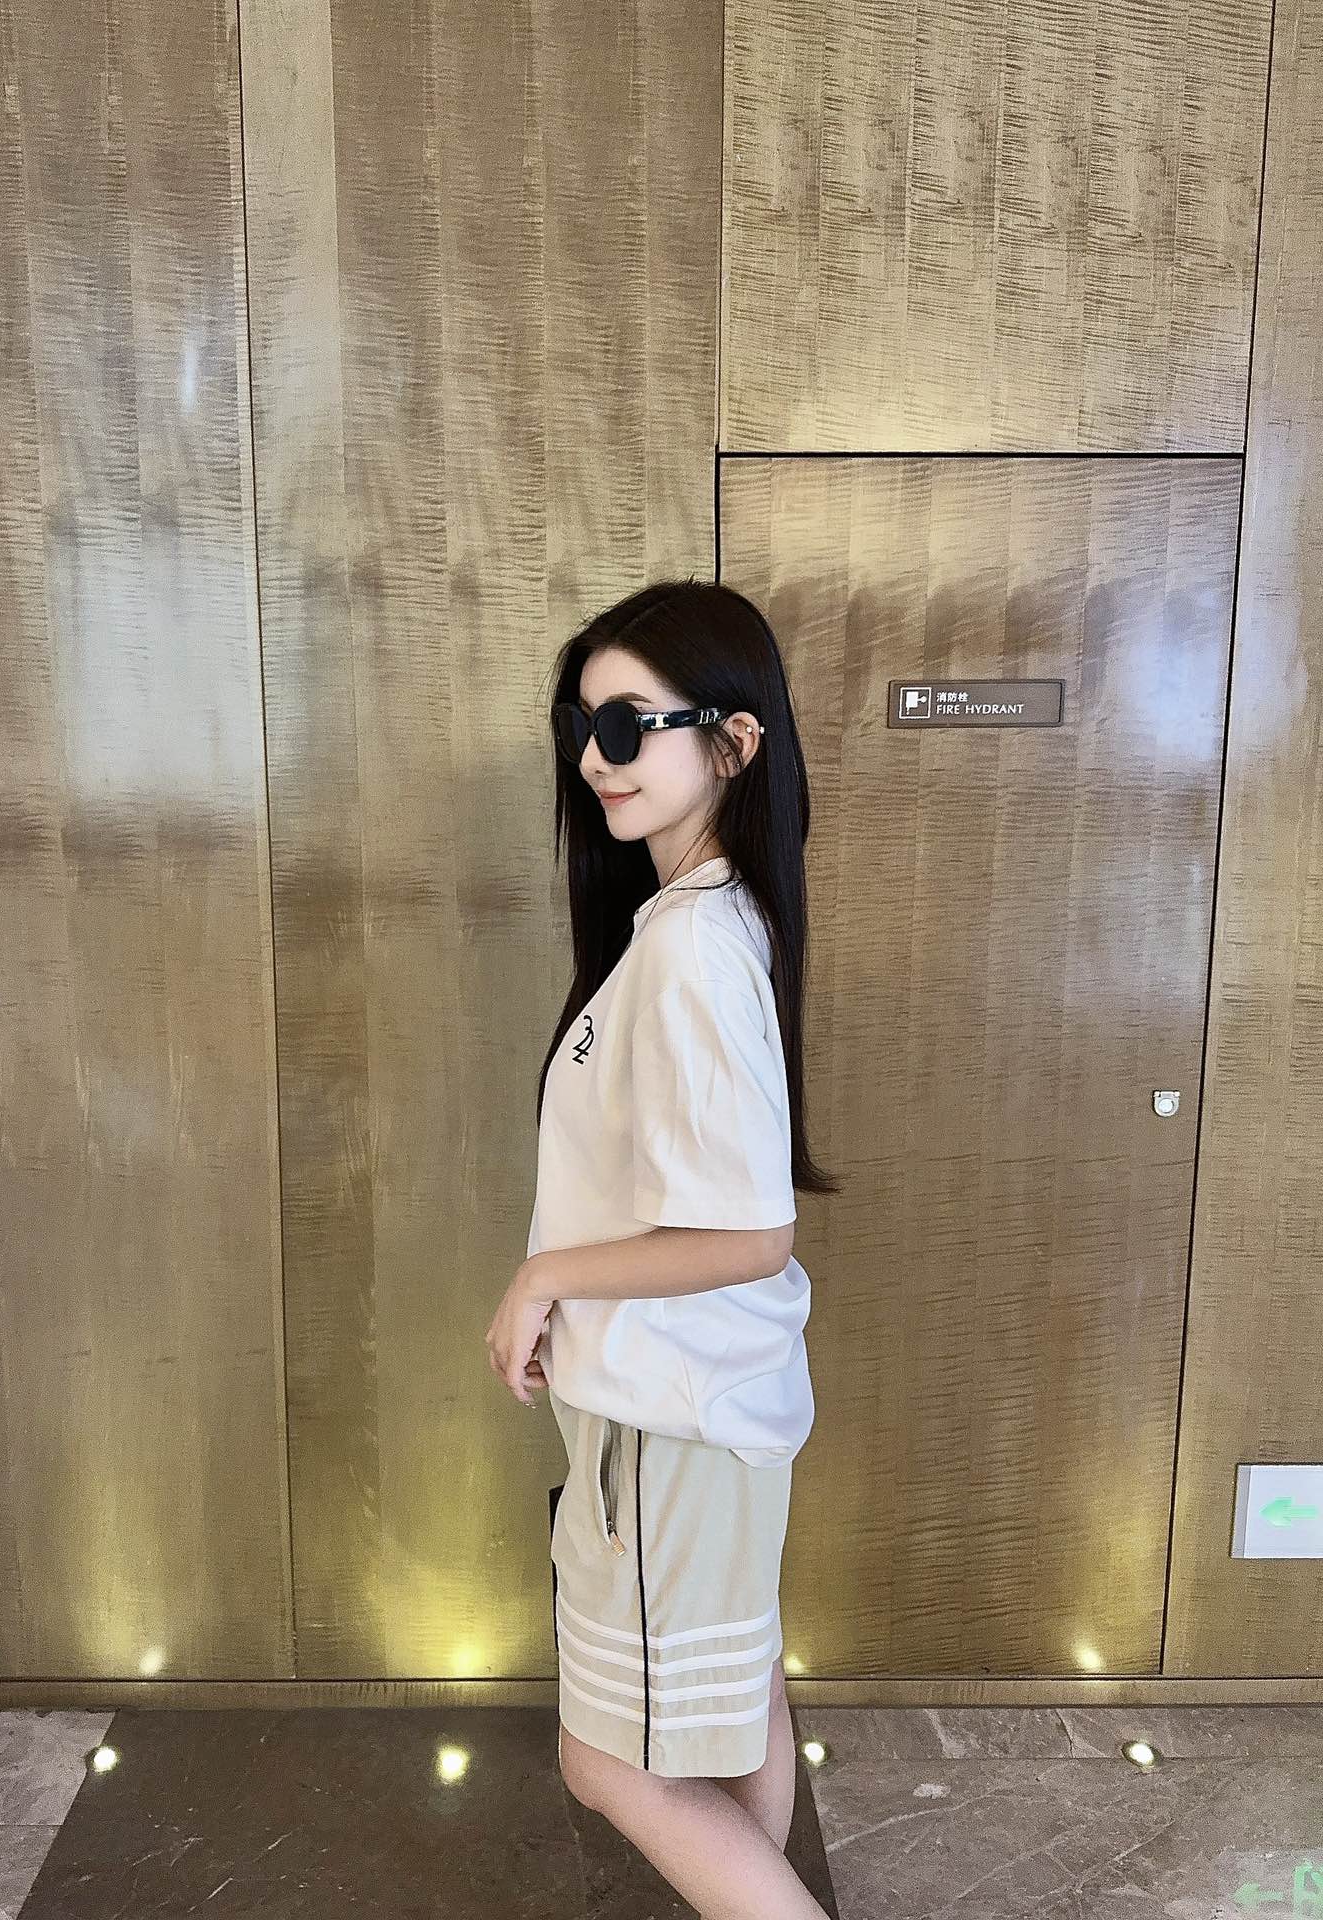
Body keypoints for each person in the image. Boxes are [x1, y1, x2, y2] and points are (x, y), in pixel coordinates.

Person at [485, 578, 839, 1920]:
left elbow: (748, 1230)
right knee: (735, 1708)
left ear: (734, 743)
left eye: (628, 725)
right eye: (584, 726)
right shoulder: (703, 922)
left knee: (608, 1762)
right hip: (704, 1411)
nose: (595, 758)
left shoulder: (692, 944)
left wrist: (544, 1279)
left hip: (671, 1425)